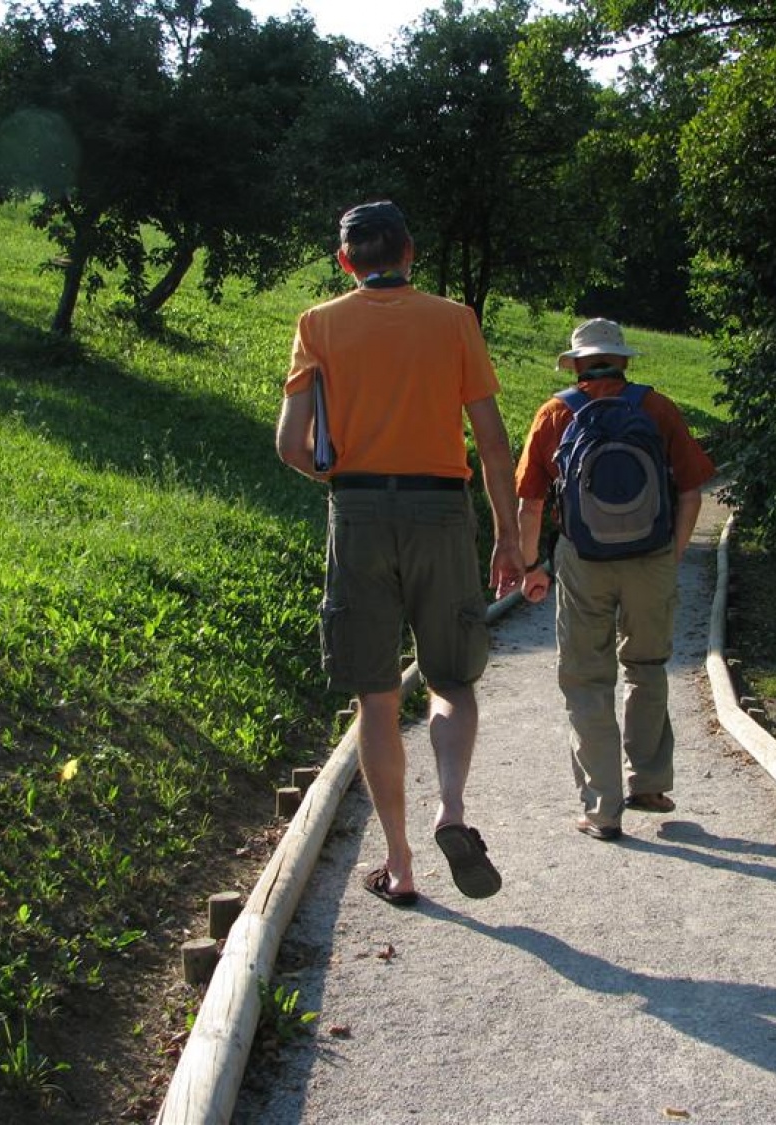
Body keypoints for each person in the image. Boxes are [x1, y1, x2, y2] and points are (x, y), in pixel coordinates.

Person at [275, 200, 524, 906]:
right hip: (442, 510)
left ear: (344, 261)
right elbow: (494, 440)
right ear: (411, 251)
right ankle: (451, 809)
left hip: (357, 510)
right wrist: (507, 533)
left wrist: (343, 478)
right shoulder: (454, 321)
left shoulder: (317, 324)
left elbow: (292, 445)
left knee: (376, 698)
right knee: (451, 679)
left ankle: (401, 864)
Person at [515, 318, 716, 841]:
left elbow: (530, 500)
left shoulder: (556, 413)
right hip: (650, 558)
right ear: (624, 361)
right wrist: (671, 555)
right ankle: (648, 782)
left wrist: (532, 565)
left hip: (582, 559)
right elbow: (692, 490)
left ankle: (603, 810)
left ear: (577, 364)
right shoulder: (657, 408)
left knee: (586, 679)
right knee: (647, 665)